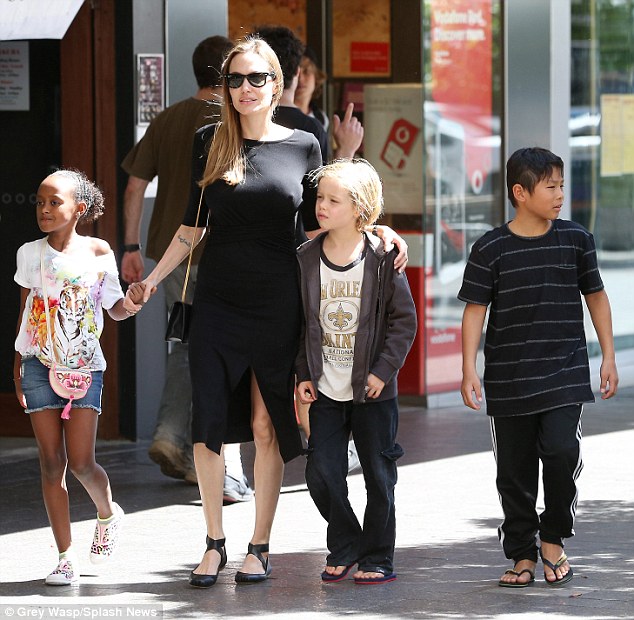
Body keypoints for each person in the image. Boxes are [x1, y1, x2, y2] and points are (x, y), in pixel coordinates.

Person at [458, 147, 619, 588]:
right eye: (550, 187)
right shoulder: (491, 247)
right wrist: (469, 369)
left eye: (561, 186)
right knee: (514, 472)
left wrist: (608, 354)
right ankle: (521, 554)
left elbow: (597, 297)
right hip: (509, 380)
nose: (560, 195)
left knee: (564, 453)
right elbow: (475, 310)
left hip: (564, 373)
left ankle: (553, 538)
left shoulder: (575, 239)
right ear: (520, 192)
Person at [120, 35, 253, 503]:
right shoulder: (232, 121)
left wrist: (131, 244)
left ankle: (172, 435)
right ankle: (193, 444)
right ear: (225, 74)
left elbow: (136, 185)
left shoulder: (169, 117)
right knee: (214, 349)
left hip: (170, 253)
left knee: (183, 341)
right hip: (219, 254)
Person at [13, 169, 142, 585]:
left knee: (82, 463)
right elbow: (26, 310)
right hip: (37, 364)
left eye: (55, 202)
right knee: (52, 463)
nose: (45, 210)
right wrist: (18, 364)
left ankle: (107, 514)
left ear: (79, 209)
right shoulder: (29, 253)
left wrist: (133, 302)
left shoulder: (99, 251)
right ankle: (65, 558)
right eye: (40, 202)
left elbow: (115, 308)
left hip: (85, 367)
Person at [296, 159, 417, 585]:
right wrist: (302, 373)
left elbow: (405, 321)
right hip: (326, 388)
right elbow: (299, 322)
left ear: (360, 208)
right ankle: (346, 542)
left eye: (333, 199)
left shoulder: (383, 258)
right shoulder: (306, 258)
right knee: (321, 471)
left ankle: (378, 555)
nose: (321, 206)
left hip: (373, 390)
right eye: (319, 197)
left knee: (379, 476)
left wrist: (384, 371)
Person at [295, 45, 364, 160]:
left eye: (306, 71)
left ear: (316, 76)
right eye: (295, 74)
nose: (301, 79)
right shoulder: (277, 116)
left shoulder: (321, 118)